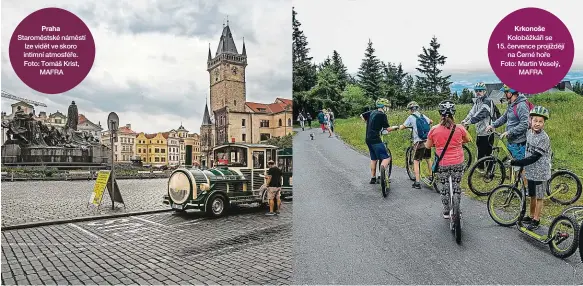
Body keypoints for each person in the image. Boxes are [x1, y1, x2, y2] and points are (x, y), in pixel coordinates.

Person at [425, 100, 472, 218]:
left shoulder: (434, 130)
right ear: (453, 114)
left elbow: (428, 146)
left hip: (442, 163)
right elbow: (468, 140)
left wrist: (437, 144)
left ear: (440, 114)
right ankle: (457, 210)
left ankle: (446, 211)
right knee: (456, 185)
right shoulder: (460, 128)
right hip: (458, 162)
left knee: (445, 187)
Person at [509, 106, 552, 230]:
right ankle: (531, 215)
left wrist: (517, 162)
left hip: (541, 173)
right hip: (530, 171)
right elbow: (527, 152)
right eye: (535, 121)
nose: (537, 124)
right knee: (532, 195)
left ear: (544, 123)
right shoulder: (529, 133)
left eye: (540, 121)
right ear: (531, 121)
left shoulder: (544, 138)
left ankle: (536, 220)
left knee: (539, 197)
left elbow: (534, 157)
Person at [486, 84, 530, 185]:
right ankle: (512, 187)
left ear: (510, 93)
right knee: (511, 163)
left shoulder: (521, 105)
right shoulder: (512, 104)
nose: (504, 95)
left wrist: (510, 132)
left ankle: (526, 189)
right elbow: (504, 117)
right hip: (512, 140)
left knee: (520, 167)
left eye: (505, 93)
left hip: (519, 142)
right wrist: (493, 125)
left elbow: (525, 124)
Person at [387, 101, 433, 189]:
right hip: (427, 141)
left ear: (411, 110)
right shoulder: (422, 116)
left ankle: (417, 182)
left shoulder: (411, 117)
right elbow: (431, 121)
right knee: (428, 159)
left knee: (416, 161)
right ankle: (431, 176)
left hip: (419, 142)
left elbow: (402, 127)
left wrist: (396, 127)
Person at [461, 82, 496, 171]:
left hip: (488, 131)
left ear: (484, 91)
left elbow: (481, 114)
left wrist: (468, 122)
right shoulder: (478, 101)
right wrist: (465, 120)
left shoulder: (488, 101)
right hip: (480, 131)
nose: (478, 92)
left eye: (480, 91)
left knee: (488, 152)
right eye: (476, 91)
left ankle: (489, 170)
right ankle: (481, 168)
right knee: (480, 149)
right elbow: (472, 112)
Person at [360, 98, 391, 184]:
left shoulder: (372, 112)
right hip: (376, 139)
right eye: (387, 107)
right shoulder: (382, 115)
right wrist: (397, 127)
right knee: (386, 158)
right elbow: (388, 128)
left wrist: (368, 123)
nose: (387, 108)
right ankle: (382, 176)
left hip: (368, 138)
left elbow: (362, 116)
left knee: (374, 159)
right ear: (383, 107)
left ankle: (373, 178)